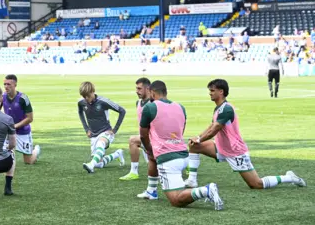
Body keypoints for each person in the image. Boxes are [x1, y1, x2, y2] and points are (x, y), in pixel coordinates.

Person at [186, 79, 306, 190]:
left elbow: (215, 130)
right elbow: (211, 126)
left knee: (256, 184)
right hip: (221, 147)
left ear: (221, 92)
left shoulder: (226, 109)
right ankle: (192, 180)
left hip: (235, 151)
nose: (210, 93)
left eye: (212, 91)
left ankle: (289, 177)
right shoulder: (219, 108)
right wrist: (197, 138)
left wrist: (199, 139)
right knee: (194, 146)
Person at [140, 80, 224, 210]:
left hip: (168, 159)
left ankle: (206, 190)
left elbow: (143, 135)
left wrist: (149, 148)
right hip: (184, 155)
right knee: (152, 158)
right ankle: (151, 191)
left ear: (152, 92)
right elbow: (181, 131)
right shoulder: (180, 107)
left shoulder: (149, 107)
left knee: (176, 200)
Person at [78, 81, 126, 173]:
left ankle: (90, 165)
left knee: (101, 143)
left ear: (93, 91)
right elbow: (80, 112)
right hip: (93, 134)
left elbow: (122, 111)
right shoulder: (81, 103)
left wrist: (114, 129)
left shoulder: (103, 101)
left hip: (106, 131)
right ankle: (117, 154)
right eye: (84, 96)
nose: (86, 99)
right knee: (99, 164)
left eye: (87, 96)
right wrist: (86, 129)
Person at [119, 77, 152, 181]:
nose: (136, 91)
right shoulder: (138, 103)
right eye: (136, 88)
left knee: (133, 140)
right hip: (145, 137)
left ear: (147, 89)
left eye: (139, 88)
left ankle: (134, 172)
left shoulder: (153, 103)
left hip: (154, 138)